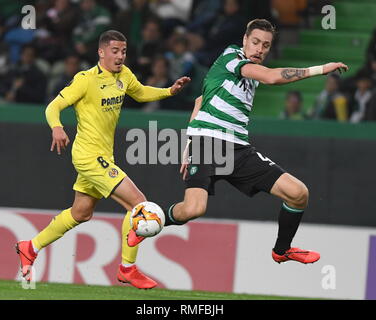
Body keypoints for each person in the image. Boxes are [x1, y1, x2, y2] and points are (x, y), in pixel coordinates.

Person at [128, 19, 348, 265]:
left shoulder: (248, 72)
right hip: (207, 143)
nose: (259, 49)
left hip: (238, 148)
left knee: (298, 194)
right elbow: (272, 77)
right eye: (255, 42)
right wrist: (320, 69)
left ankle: (282, 250)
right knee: (193, 210)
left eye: (265, 45)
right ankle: (149, 222)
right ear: (244, 40)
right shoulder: (232, 57)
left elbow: (200, 100)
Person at [15, 30, 190, 289]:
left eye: (124, 51)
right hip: (88, 156)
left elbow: (141, 93)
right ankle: (127, 269)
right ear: (101, 52)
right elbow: (53, 107)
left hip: (103, 155)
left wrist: (168, 92)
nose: (120, 56)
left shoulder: (124, 75)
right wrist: (57, 127)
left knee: (81, 213)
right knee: (140, 205)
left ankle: (30, 246)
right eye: (115, 51)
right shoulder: (85, 80)